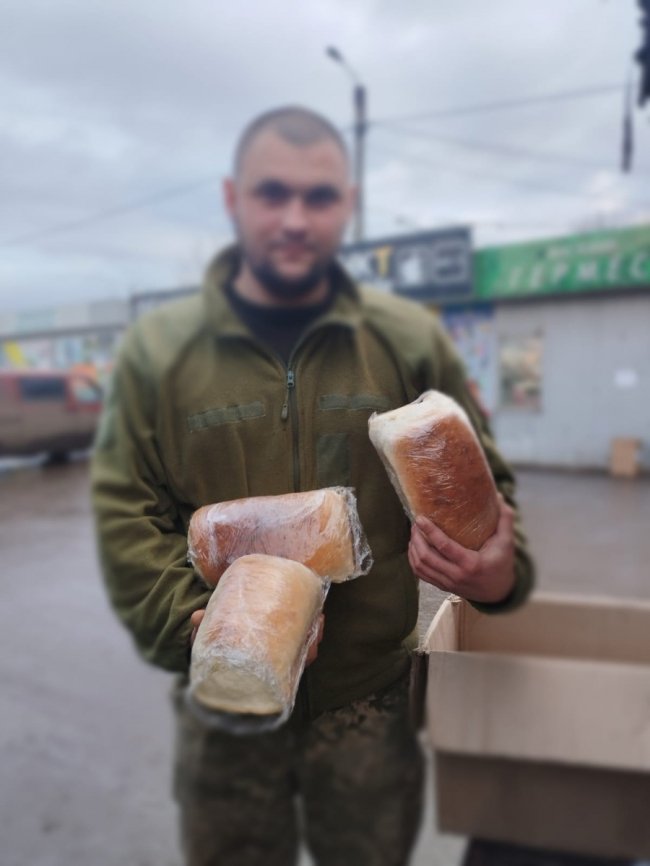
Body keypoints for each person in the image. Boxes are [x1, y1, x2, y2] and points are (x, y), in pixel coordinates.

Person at [91, 105, 535, 866]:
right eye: (272, 193)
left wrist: (498, 574)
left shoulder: (406, 340)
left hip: (370, 705)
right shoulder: (158, 355)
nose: (295, 219)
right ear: (232, 199)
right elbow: (123, 513)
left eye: (320, 196)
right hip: (224, 708)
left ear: (347, 206)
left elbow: (482, 492)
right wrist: (197, 625)